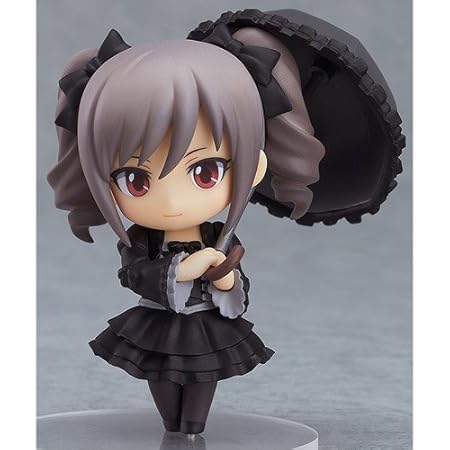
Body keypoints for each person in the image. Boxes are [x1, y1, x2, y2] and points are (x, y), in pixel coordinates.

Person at [48, 24, 324, 435]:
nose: (172, 201)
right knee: (160, 375)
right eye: (135, 180)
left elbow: (236, 286)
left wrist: (226, 277)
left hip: (204, 322)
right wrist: (186, 269)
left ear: (254, 167)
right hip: (157, 320)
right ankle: (174, 429)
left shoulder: (218, 237)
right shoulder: (143, 240)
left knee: (202, 377)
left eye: (205, 172)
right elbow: (133, 273)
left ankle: (192, 429)